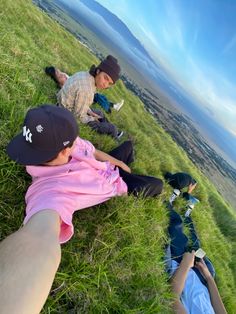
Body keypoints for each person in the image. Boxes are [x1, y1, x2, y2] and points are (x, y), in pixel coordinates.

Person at [0, 104, 163, 313]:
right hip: (113, 184)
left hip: (104, 169)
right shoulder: (49, 190)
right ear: (64, 150)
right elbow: (38, 236)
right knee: (157, 185)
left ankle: (125, 164)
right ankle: (130, 175)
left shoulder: (64, 144)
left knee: (128, 146)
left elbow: (92, 150)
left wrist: (118, 163)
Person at [165, 204, 227, 314]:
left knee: (176, 224)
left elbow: (172, 298)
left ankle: (165, 201)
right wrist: (208, 276)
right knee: (197, 248)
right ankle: (187, 215)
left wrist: (186, 263)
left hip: (180, 271)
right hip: (202, 279)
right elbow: (219, 308)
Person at [45, 55, 124, 139]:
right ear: (98, 71)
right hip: (66, 112)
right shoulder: (87, 90)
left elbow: (82, 104)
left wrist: (91, 113)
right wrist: (92, 118)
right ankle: (114, 136)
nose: (105, 84)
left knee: (100, 113)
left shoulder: (86, 75)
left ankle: (108, 127)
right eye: (105, 78)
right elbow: (79, 116)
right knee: (112, 128)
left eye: (109, 83)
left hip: (68, 103)